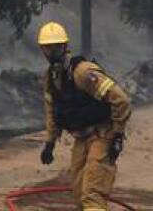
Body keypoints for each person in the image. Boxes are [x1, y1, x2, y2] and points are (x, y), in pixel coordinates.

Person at [37, 21, 131, 211]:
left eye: (56, 48)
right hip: (81, 138)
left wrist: (117, 135)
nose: (52, 53)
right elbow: (52, 110)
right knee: (80, 194)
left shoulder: (83, 72)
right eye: (47, 49)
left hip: (102, 135)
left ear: (65, 46)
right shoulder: (51, 78)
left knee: (92, 193)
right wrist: (50, 142)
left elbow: (121, 100)